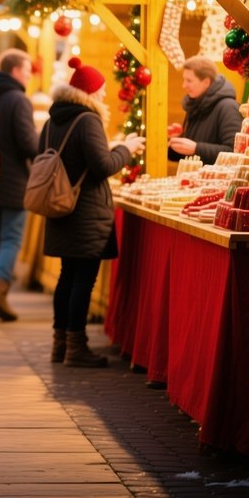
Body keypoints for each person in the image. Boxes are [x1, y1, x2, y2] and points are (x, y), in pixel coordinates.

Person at [41, 57, 144, 367]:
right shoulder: (88, 120)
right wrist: (127, 148)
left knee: (67, 277)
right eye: (100, 90)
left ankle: (60, 344)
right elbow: (102, 167)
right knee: (83, 281)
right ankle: (76, 347)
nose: (102, 96)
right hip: (85, 212)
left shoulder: (53, 119)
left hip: (60, 208)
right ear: (90, 92)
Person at [0, 49, 40, 321]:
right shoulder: (19, 100)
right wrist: (44, 146)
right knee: (11, 239)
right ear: (15, 71)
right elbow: (28, 143)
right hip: (15, 180)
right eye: (27, 71)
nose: (28, 76)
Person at [168, 55, 242, 165]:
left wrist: (197, 148)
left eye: (189, 80)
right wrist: (175, 143)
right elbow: (189, 153)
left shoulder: (228, 107)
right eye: (184, 80)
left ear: (206, 82)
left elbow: (234, 152)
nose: (184, 85)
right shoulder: (194, 104)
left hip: (219, 181)